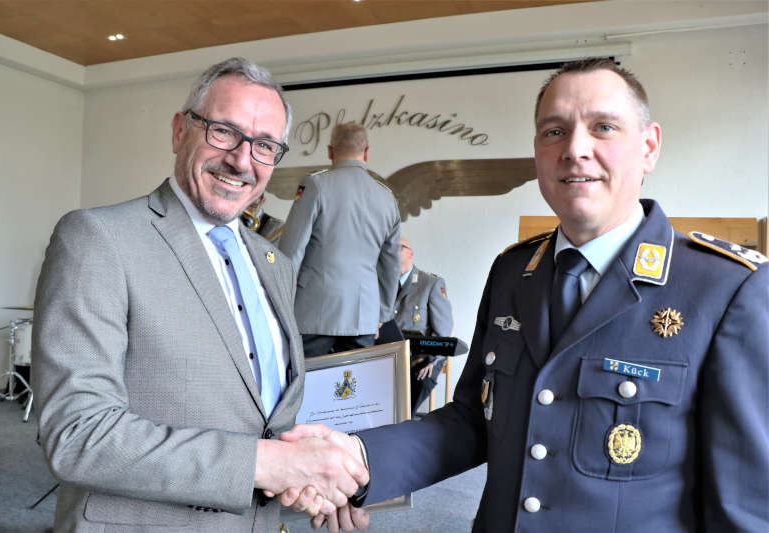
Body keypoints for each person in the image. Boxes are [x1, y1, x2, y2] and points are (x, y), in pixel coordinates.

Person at [282, 58, 769, 532]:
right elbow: (473, 420)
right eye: (554, 131)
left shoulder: (726, 289)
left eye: (602, 127)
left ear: (649, 146)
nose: (574, 149)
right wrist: (357, 461)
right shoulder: (514, 272)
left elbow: (746, 505)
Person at [31, 57, 368, 533]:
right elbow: (78, 435)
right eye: (223, 132)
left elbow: (262, 420)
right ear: (179, 131)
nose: (241, 160)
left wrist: (317, 484)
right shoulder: (97, 239)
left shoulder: (276, 264)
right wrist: (272, 464)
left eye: (265, 145)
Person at [278, 122, 401, 357]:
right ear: (367, 153)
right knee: (354, 390)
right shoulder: (386, 197)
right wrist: (382, 314)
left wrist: (280, 303)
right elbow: (391, 265)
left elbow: (291, 251)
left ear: (330, 151)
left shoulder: (315, 185)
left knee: (307, 387)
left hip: (314, 312)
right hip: (363, 315)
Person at [395, 237, 453, 414]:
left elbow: (443, 329)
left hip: (424, 354)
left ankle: (404, 423)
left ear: (411, 253)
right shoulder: (383, 283)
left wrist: (431, 358)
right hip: (393, 353)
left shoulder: (430, 283)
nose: (392, 250)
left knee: (420, 381)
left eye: (399, 247)